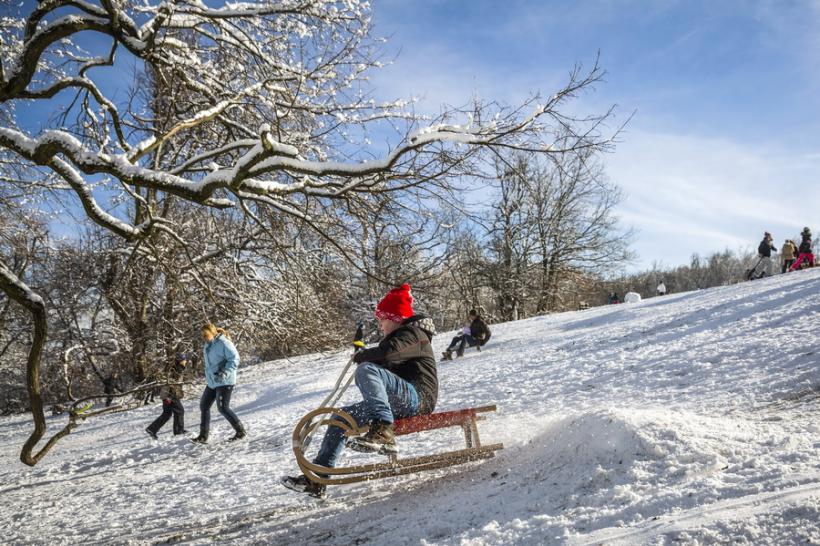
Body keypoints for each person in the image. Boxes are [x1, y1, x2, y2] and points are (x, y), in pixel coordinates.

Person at [282, 284, 437, 498]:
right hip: (397, 403)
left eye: (382, 319)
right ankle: (317, 479)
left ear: (394, 317)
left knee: (366, 369)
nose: (380, 324)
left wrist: (364, 357)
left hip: (417, 398)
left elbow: (390, 353)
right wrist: (366, 357)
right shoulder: (399, 336)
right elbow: (385, 365)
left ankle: (383, 428)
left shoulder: (413, 334)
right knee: (341, 417)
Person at [191, 323, 246, 444]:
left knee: (223, 408)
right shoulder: (207, 345)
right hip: (213, 381)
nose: (204, 338)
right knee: (204, 405)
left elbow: (235, 359)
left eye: (206, 335)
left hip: (225, 380)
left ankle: (241, 431)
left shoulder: (223, 343)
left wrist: (224, 372)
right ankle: (203, 436)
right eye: (202, 336)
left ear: (213, 333)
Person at [145, 353, 189, 439]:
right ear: (180, 361)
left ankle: (152, 429)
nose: (185, 361)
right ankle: (178, 431)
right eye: (184, 360)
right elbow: (172, 384)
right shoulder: (177, 369)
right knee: (180, 411)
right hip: (171, 394)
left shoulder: (175, 368)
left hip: (166, 394)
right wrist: (169, 396)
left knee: (167, 414)